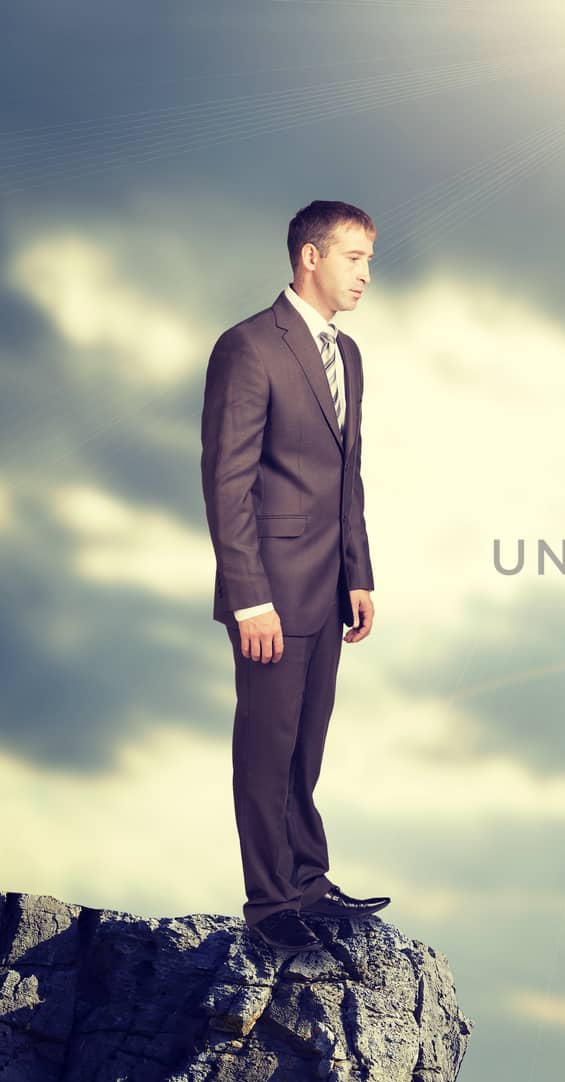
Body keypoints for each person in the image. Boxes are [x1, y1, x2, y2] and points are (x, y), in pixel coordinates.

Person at [200, 200, 390, 953]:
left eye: (370, 262)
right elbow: (227, 481)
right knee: (267, 743)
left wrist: (360, 573)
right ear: (310, 257)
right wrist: (249, 598)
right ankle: (272, 902)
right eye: (354, 259)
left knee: (306, 743)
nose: (365, 276)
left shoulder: (348, 357)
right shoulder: (248, 347)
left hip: (328, 586)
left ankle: (309, 882)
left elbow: (350, 476)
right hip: (269, 593)